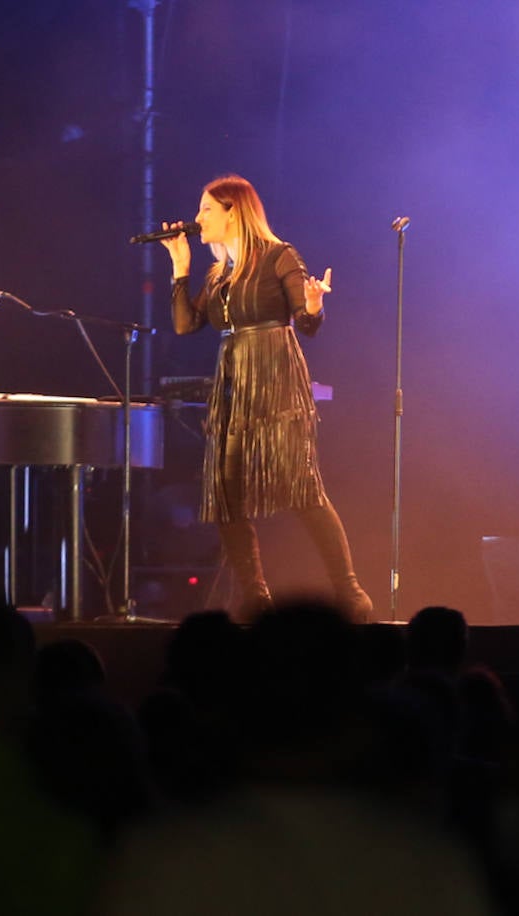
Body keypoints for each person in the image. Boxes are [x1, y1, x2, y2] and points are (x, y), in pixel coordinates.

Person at [159, 174, 372, 620]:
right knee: (226, 496)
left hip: (276, 382)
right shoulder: (220, 274)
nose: (198, 218)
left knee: (302, 490)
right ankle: (256, 597)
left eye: (206, 209)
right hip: (234, 388)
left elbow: (307, 324)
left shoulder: (279, 256)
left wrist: (313, 304)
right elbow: (185, 324)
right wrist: (180, 268)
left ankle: (350, 591)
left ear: (234, 211)